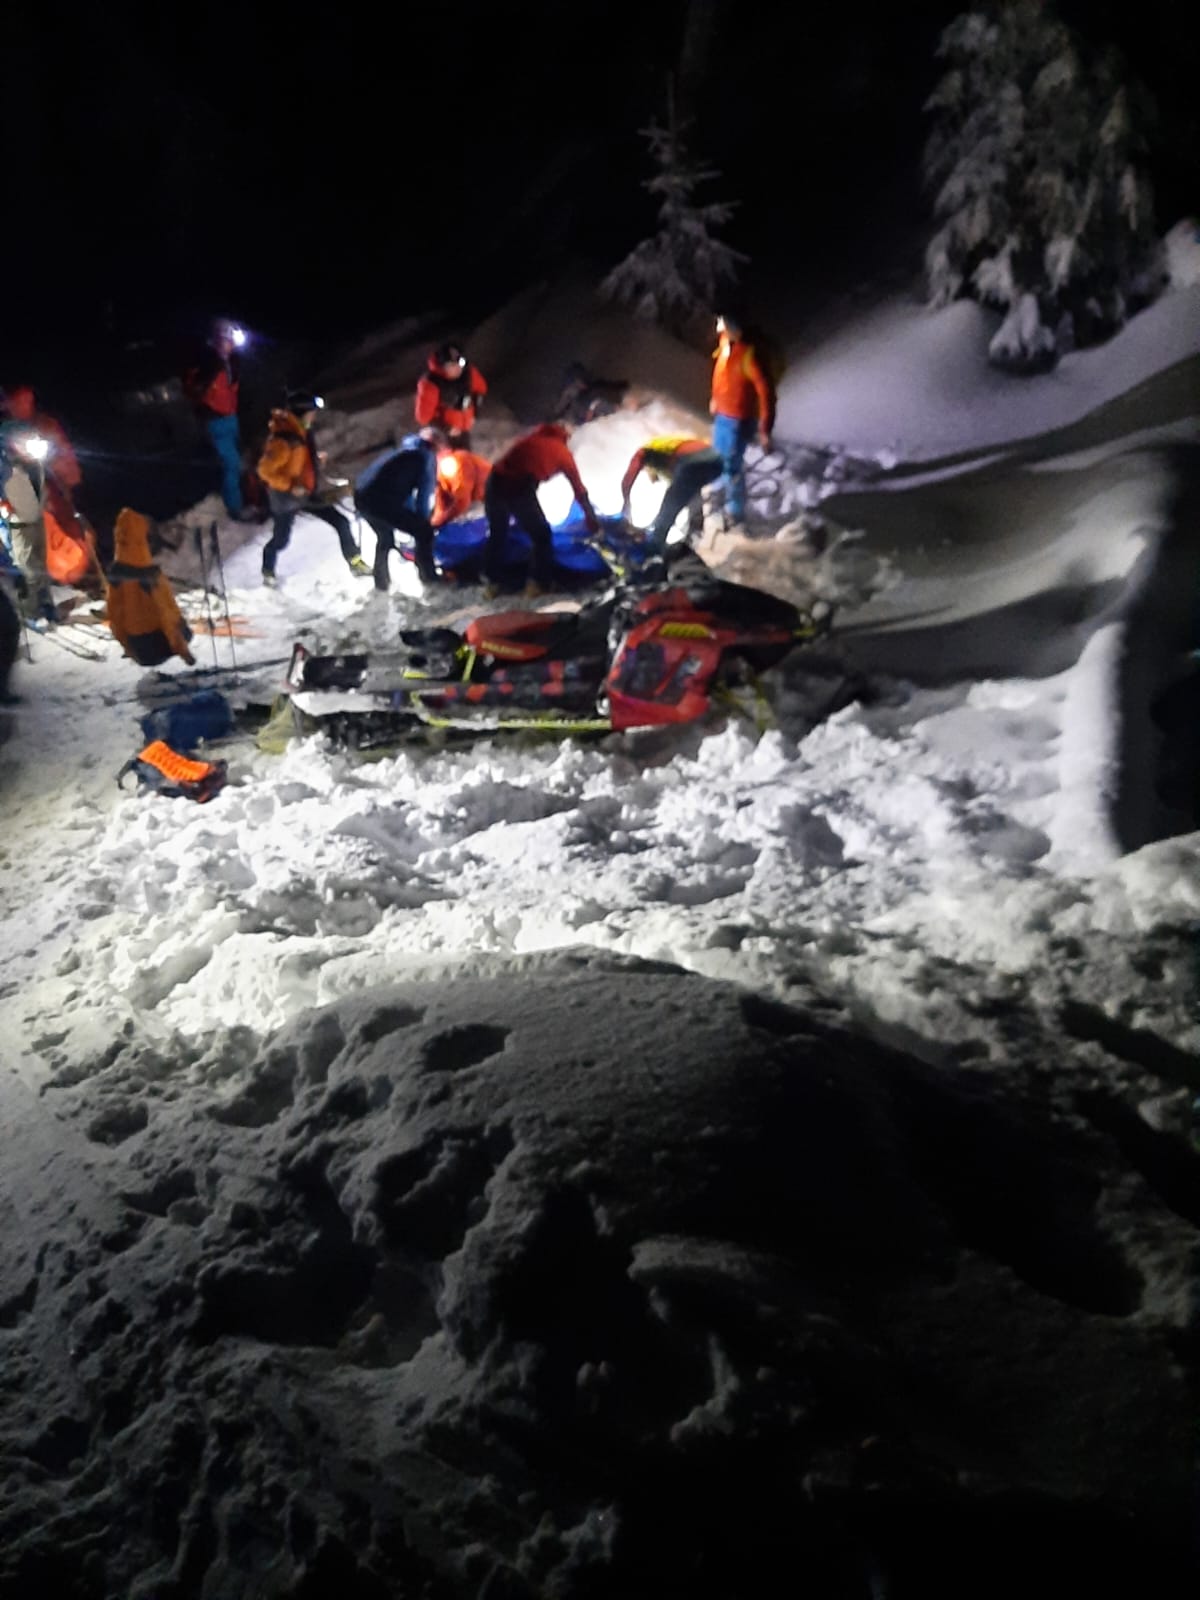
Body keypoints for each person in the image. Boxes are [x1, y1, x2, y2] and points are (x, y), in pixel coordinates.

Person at [256, 392, 369, 587]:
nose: (314, 416)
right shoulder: (283, 440)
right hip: (287, 499)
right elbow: (265, 471)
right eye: (311, 412)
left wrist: (314, 461)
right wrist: (291, 486)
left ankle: (355, 562)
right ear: (301, 413)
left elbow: (299, 461)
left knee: (341, 522)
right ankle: (268, 570)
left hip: (307, 494)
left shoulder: (302, 433)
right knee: (281, 540)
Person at [483, 422, 598, 596]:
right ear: (565, 438)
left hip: (495, 481)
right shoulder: (562, 452)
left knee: (498, 532)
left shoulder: (531, 439)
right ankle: (537, 584)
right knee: (541, 536)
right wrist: (591, 518)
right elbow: (579, 490)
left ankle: (493, 584)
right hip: (519, 486)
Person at [1, 384, 96, 585]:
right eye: (16, 401)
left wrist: (61, 470)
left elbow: (63, 459)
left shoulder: (41, 425)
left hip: (46, 493)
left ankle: (86, 571)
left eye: (25, 400)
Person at [104, 508, 195, 666]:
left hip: (139, 648)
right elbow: (166, 615)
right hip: (158, 647)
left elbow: (115, 615)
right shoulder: (149, 575)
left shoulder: (116, 574)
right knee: (179, 623)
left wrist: (129, 648)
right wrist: (184, 652)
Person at [709, 312, 775, 527]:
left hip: (737, 421)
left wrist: (765, 429)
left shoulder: (748, 356)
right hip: (722, 417)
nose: (719, 328)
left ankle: (735, 514)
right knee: (718, 461)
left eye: (722, 324)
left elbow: (765, 392)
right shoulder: (725, 345)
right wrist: (715, 398)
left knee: (731, 468)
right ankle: (716, 500)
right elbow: (721, 375)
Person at [354, 430, 441, 591]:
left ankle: (381, 582)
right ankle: (429, 577)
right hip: (380, 501)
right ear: (435, 447)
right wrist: (422, 522)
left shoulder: (399, 451)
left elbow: (393, 485)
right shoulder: (425, 458)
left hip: (362, 496)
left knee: (385, 537)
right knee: (424, 532)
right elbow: (423, 496)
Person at [186, 319, 252, 521]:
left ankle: (245, 497)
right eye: (228, 340)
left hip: (231, 417)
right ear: (219, 340)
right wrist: (204, 407)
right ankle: (235, 508)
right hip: (216, 420)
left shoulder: (230, 362)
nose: (232, 344)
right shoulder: (207, 362)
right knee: (230, 464)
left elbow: (232, 389)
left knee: (237, 461)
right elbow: (193, 387)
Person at [620, 434, 723, 561]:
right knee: (690, 497)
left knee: (670, 507)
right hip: (716, 461)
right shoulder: (668, 453)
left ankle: (653, 552)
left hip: (693, 460)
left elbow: (626, 481)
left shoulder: (643, 452)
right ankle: (691, 540)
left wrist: (626, 504)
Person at [0, 420, 53, 621]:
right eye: (22, 439)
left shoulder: (34, 461)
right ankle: (31, 612)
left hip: (36, 519)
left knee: (41, 566)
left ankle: (46, 604)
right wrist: (5, 511)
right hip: (17, 525)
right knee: (28, 571)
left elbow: (41, 485)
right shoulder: (4, 465)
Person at [415, 342, 487, 447]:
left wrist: (475, 413)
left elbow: (480, 389)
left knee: (465, 456)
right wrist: (446, 428)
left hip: (465, 426)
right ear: (442, 367)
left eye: (460, 362)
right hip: (444, 435)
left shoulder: (469, 373)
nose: (458, 367)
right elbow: (423, 417)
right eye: (452, 365)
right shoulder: (430, 384)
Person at [432, 447, 492, 528]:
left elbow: (462, 500)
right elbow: (442, 499)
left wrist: (442, 520)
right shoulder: (442, 472)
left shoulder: (457, 463)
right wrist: (436, 521)